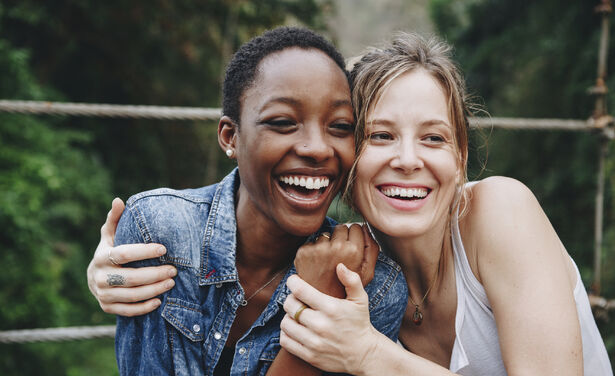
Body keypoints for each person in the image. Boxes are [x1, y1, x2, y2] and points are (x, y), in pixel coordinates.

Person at [278, 33, 613, 375]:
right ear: (348, 157)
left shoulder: (501, 210)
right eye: (380, 136)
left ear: (460, 159)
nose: (408, 160)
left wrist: (369, 355)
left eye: (433, 138)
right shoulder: (355, 272)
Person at [89, 26, 408, 375]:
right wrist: (113, 279)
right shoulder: (161, 233)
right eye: (283, 122)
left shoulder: (371, 287)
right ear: (231, 137)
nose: (317, 148)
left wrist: (327, 299)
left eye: (341, 126)